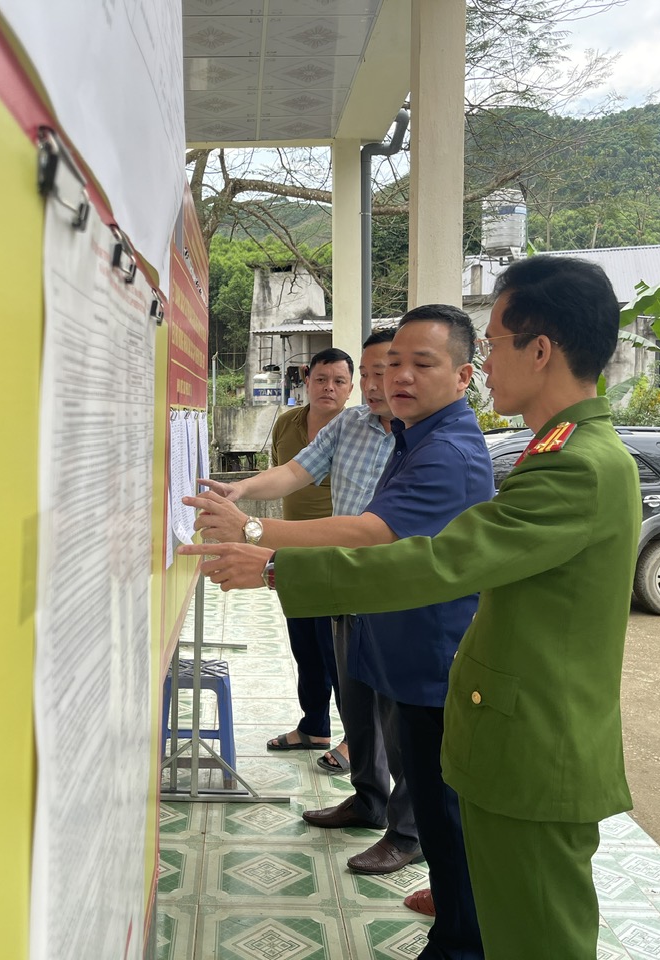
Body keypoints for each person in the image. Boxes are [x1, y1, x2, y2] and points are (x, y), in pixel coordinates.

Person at [180, 255, 640, 960]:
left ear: (540, 350)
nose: (484, 365)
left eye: (491, 346)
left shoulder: (576, 466)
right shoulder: (555, 452)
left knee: (537, 937)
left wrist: (273, 566)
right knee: (507, 915)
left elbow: (437, 560)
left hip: (535, 748)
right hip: (508, 735)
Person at [190, 305, 493, 949]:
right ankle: (442, 878)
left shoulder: (445, 451)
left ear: (465, 375)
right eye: (391, 364)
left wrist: (258, 543)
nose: (398, 378)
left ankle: (458, 925)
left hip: (426, 648)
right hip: (378, 614)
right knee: (383, 734)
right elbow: (304, 477)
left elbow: (374, 533)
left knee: (437, 789)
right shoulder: (406, 436)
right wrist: (246, 504)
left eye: (418, 364)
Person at [197, 330, 395, 777]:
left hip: (375, 571)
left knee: (371, 680)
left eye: (377, 373)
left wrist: (251, 529)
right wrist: (240, 489)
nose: (375, 385)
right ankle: (363, 788)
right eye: (367, 375)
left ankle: (378, 785)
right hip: (320, 563)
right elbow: (293, 471)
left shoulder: (422, 439)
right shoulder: (347, 425)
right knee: (325, 656)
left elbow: (369, 531)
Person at [260, 347, 353, 756]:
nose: (328, 388)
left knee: (341, 653)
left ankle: (356, 740)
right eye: (321, 379)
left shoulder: (363, 430)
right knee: (305, 646)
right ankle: (314, 727)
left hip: (339, 555)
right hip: (292, 554)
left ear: (351, 388)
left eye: (338, 381)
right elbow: (282, 475)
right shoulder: (287, 424)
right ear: (306, 380)